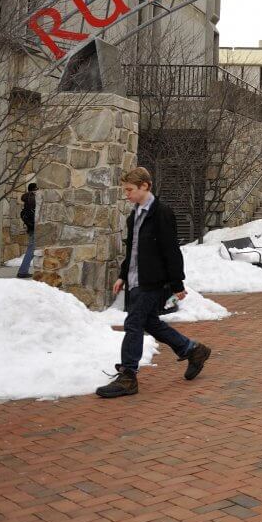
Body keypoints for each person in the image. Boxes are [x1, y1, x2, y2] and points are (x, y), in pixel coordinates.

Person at [96, 167, 211, 398]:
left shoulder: (162, 213)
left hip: (153, 280)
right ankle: (192, 350)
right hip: (136, 280)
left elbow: (171, 250)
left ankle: (128, 376)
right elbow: (133, 250)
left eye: (129, 190)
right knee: (149, 323)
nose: (126, 194)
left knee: (133, 323)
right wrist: (122, 275)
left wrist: (177, 284)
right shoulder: (134, 215)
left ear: (145, 186)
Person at [16, 182, 38, 278]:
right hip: (34, 227)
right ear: (35, 189)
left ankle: (23, 270)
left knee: (32, 248)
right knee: (31, 249)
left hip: (30, 227)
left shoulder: (27, 199)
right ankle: (23, 271)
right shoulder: (33, 199)